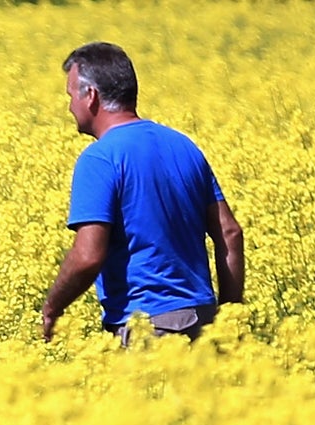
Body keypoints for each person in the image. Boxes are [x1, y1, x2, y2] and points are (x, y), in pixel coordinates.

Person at [40, 43, 245, 344]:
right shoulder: (184, 146)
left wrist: (52, 307)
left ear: (91, 96)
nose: (70, 106)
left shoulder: (100, 158)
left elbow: (87, 256)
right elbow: (230, 233)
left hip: (148, 330)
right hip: (202, 324)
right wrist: (229, 320)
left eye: (71, 95)